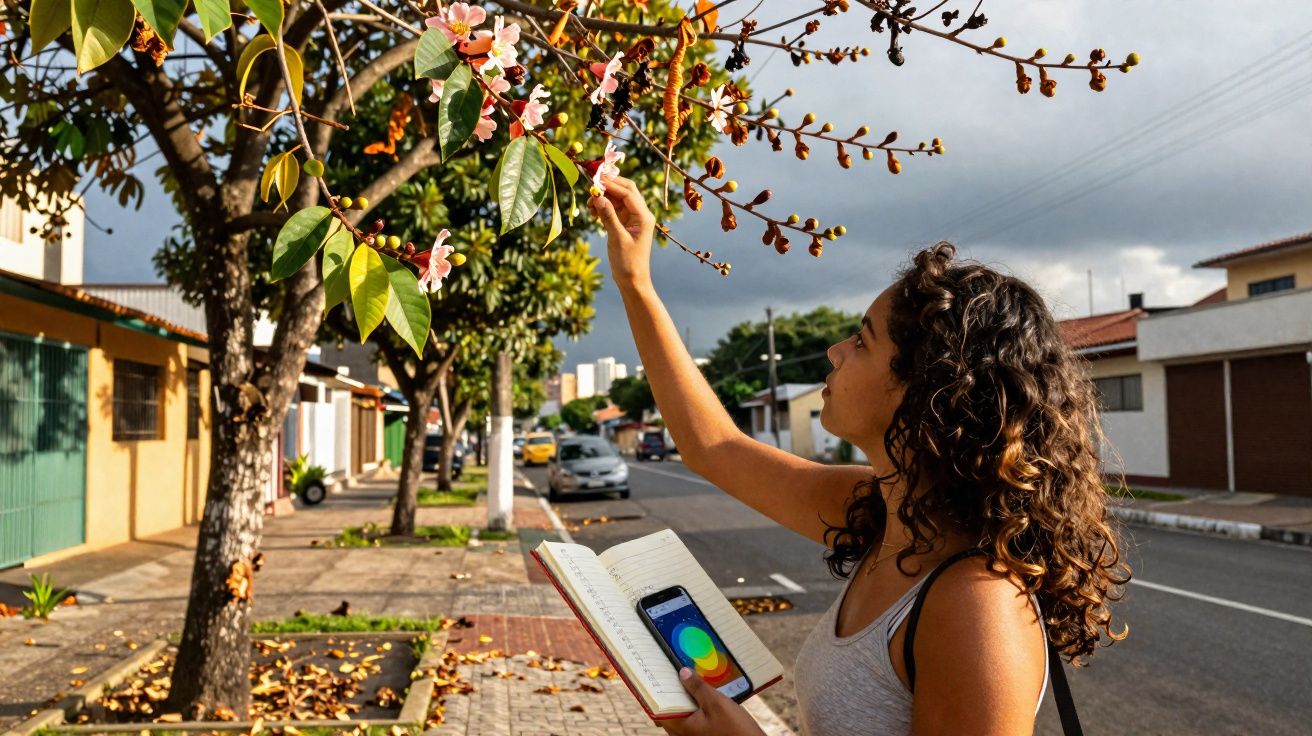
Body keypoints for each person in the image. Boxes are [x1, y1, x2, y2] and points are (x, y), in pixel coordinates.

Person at [588, 176, 1131, 735]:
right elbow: (714, 448)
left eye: (863, 340)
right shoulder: (883, 510)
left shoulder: (978, 606)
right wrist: (636, 282)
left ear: (927, 391)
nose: (835, 350)